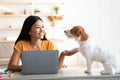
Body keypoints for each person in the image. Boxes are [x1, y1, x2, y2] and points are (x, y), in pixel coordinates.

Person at [7, 15, 78, 71]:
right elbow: (11, 66)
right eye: (38, 27)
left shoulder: (49, 44)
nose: (42, 30)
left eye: (43, 27)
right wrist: (28, 68)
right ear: (29, 31)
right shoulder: (21, 44)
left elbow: (57, 67)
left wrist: (63, 54)